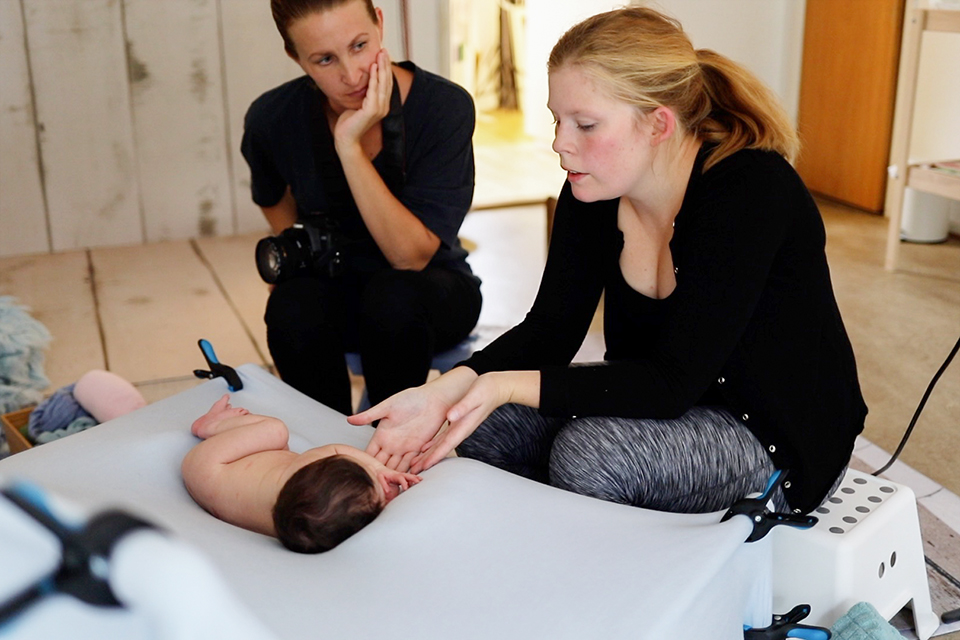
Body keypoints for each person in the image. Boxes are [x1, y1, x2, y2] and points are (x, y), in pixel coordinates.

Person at [351, 7, 868, 517]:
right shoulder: (592, 189)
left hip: (773, 434)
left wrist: (499, 384)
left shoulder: (750, 190)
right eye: (558, 119)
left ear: (657, 124)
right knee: (477, 421)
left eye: (586, 124)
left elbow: (673, 383)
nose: (560, 143)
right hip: (664, 399)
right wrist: (445, 391)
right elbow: (549, 332)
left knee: (590, 455)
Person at [241, 0, 482, 415]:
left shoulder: (443, 107)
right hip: (339, 289)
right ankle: (324, 447)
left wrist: (349, 147)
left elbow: (411, 256)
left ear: (380, 25)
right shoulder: (272, 116)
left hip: (431, 290)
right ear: (295, 58)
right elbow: (271, 196)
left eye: (359, 45)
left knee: (393, 297)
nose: (351, 75)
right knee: (290, 305)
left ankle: (389, 443)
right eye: (324, 59)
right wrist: (296, 253)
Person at [182, 395, 421, 553]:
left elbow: (336, 450)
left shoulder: (305, 474)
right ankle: (211, 426)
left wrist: (378, 469)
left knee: (275, 431)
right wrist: (379, 473)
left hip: (211, 464)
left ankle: (212, 425)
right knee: (279, 443)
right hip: (213, 479)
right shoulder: (305, 527)